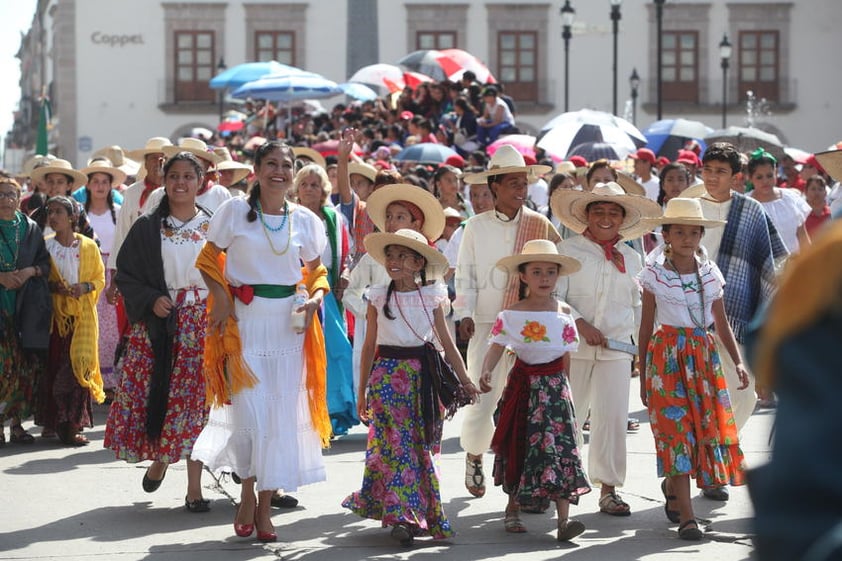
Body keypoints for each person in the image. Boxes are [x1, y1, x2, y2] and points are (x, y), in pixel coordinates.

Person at [191, 141, 331, 543]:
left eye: (286, 166)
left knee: (279, 418)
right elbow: (207, 258)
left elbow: (317, 270)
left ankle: (266, 507)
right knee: (249, 415)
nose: (279, 172)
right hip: (244, 323)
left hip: (289, 326)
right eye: (271, 164)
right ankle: (247, 492)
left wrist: (317, 297)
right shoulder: (234, 211)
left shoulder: (304, 219)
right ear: (255, 169)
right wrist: (220, 297)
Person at [342, 228, 479, 546]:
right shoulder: (377, 294)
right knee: (395, 447)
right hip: (388, 379)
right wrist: (361, 389)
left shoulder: (432, 296)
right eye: (390, 255)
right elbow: (369, 346)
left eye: (402, 256)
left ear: (419, 263)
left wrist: (465, 380)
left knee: (423, 448)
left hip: (424, 379)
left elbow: (447, 343)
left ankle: (417, 514)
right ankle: (402, 516)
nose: (394, 261)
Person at [104, 152, 214, 513]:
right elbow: (128, 273)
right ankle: (162, 458)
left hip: (203, 326)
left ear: (201, 182)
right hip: (161, 327)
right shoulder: (148, 226)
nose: (181, 183)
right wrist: (152, 300)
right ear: (164, 182)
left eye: (188, 176)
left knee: (197, 407)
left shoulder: (214, 226)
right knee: (165, 400)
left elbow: (231, 274)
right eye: (174, 176)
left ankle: (194, 490)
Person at [637, 197, 748, 540]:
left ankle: (674, 486)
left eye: (693, 232)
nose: (687, 238)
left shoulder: (709, 273)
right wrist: (643, 373)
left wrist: (738, 361)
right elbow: (646, 326)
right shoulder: (655, 274)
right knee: (675, 434)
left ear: (701, 235)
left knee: (700, 432)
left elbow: (720, 321)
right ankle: (688, 517)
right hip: (666, 358)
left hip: (702, 356)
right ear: (667, 235)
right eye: (679, 231)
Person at [454, 145, 560, 499]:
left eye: (523, 183)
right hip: (486, 323)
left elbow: (557, 270)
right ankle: (473, 455)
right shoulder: (475, 227)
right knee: (482, 396)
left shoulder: (539, 224)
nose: (519, 190)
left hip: (529, 326)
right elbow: (464, 274)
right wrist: (464, 313)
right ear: (494, 186)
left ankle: (526, 479)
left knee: (529, 403)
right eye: (512, 183)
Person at [551, 181, 661, 516]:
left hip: (617, 350)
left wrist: (645, 350)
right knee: (569, 416)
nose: (605, 217)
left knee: (611, 420)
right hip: (574, 348)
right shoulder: (568, 251)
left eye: (613, 212)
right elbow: (554, 297)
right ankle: (560, 483)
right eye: (598, 210)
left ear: (623, 218)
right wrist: (580, 322)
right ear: (586, 215)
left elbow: (641, 307)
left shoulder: (631, 256)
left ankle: (609, 489)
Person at [688, 142, 786, 501]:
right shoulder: (688, 206)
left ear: (736, 177)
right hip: (689, 317)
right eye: (707, 170)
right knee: (699, 401)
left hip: (736, 315)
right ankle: (711, 471)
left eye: (720, 172)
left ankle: (719, 455)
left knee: (741, 397)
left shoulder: (750, 211)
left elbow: (772, 261)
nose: (712, 178)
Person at [478, 239, 590, 541]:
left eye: (551, 272)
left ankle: (564, 520)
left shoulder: (564, 312)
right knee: (519, 444)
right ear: (523, 276)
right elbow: (497, 346)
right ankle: (512, 509)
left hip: (555, 391)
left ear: (558, 276)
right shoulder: (511, 314)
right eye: (537, 271)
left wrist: (566, 392)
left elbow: (566, 356)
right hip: (523, 387)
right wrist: (486, 370)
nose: (544, 278)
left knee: (561, 448)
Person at [343, 182, 445, 400]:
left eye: (400, 217)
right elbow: (350, 292)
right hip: (383, 344)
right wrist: (373, 315)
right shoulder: (372, 260)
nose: (391, 222)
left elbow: (438, 313)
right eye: (388, 216)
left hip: (419, 351)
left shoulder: (425, 262)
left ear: (416, 224)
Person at [36, 196, 105, 446]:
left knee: (79, 370)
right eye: (49, 212)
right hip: (56, 320)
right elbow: (40, 279)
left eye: (58, 212)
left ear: (72, 217)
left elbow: (99, 280)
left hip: (82, 319)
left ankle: (72, 425)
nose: (53, 217)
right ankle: (56, 422)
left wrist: (84, 287)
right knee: (55, 368)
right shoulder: (45, 247)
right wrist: (55, 286)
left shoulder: (88, 246)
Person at [292, 163, 356, 436]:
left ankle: (331, 413)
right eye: (304, 184)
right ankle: (305, 416)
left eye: (314, 185)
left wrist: (344, 273)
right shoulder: (288, 216)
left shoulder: (334, 218)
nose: (309, 189)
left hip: (327, 291)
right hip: (296, 288)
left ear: (323, 191)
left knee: (337, 351)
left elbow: (347, 254)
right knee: (303, 355)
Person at [0, 176, 51, 446]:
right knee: (2, 367)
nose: (6, 199)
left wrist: (29, 271)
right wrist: (2, 277)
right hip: (1, 308)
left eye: (11, 194)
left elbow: (45, 264)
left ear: (19, 198)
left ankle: (18, 424)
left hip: (26, 307)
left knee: (24, 368)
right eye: (1, 194)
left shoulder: (30, 228)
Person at [80, 159, 125, 399]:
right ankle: (86, 378)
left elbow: (123, 246)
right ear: (88, 185)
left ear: (110, 186)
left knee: (110, 330)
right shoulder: (80, 211)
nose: (99, 186)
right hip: (87, 272)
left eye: (104, 182)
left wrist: (116, 280)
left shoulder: (118, 213)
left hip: (112, 272)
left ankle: (108, 380)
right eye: (95, 182)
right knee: (87, 327)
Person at [746, 149, 811, 253]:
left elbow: (803, 236)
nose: (765, 181)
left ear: (776, 173)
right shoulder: (745, 204)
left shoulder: (790, 198)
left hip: (792, 265)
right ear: (750, 178)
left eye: (769, 175)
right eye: (759, 177)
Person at [29, 159, 97, 240]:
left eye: (60, 182)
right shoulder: (36, 215)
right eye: (50, 181)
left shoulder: (78, 212)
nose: (54, 186)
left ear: (69, 185)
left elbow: (92, 242)